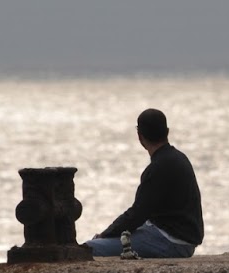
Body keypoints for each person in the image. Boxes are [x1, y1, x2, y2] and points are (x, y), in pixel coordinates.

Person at [85, 108, 204, 258]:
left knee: (90, 249)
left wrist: (104, 235)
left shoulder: (158, 168)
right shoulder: (179, 158)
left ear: (139, 136)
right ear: (167, 132)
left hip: (171, 242)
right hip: (183, 239)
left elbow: (137, 214)